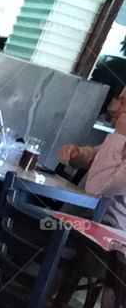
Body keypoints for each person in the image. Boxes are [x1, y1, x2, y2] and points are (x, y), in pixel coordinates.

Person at [59, 85, 126, 231]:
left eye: (123, 103)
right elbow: (99, 155)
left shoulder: (121, 137)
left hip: (108, 240)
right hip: (82, 223)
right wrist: (79, 154)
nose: (113, 109)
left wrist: (120, 133)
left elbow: (96, 187)